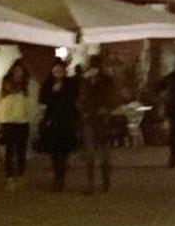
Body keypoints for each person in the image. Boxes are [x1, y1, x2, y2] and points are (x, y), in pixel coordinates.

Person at [79, 51, 121, 194]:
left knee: (104, 154)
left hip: (103, 120)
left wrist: (106, 109)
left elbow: (112, 98)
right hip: (89, 120)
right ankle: (90, 184)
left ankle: (105, 182)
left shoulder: (106, 80)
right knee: (90, 154)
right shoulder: (85, 81)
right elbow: (81, 98)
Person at [36, 62, 81, 192]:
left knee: (63, 151)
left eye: (60, 71)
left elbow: (72, 99)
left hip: (66, 121)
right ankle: (57, 177)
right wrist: (53, 92)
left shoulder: (70, 83)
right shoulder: (48, 84)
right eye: (55, 71)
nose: (57, 73)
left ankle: (60, 177)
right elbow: (43, 100)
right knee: (55, 152)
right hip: (52, 122)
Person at [0, 62, 34, 187]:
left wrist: (30, 117)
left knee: (21, 150)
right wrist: (0, 119)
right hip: (8, 122)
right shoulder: (6, 86)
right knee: (9, 151)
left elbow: (29, 104)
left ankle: (20, 174)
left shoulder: (26, 87)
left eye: (20, 71)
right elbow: (0, 103)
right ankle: (10, 177)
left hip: (22, 122)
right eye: (16, 71)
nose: (18, 74)